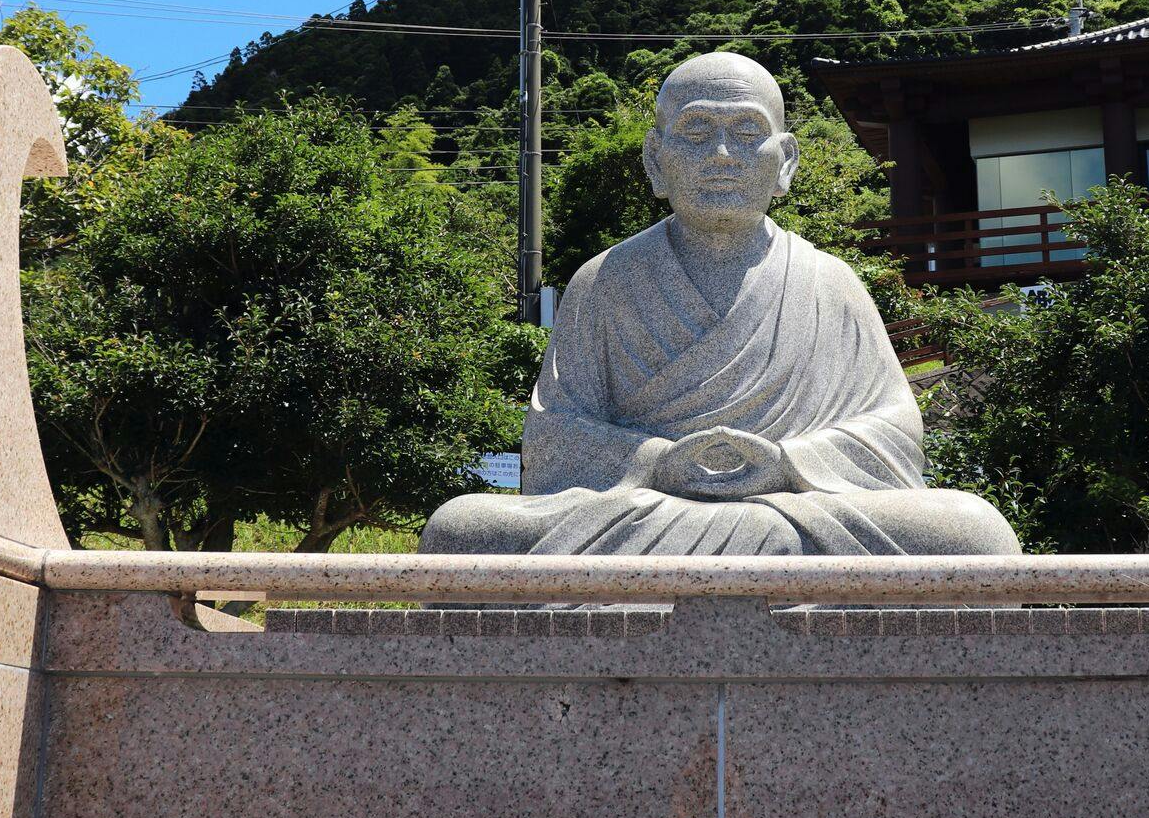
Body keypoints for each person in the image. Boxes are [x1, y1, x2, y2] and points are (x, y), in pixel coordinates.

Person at [420, 51, 1019, 556]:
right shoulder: (603, 281)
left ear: (785, 162)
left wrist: (787, 462)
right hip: (643, 510)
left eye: (747, 133)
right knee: (461, 531)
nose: (723, 156)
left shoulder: (831, 283)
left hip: (793, 509)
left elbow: (893, 428)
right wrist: (656, 461)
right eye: (698, 133)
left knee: (973, 534)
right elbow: (553, 439)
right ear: (656, 160)